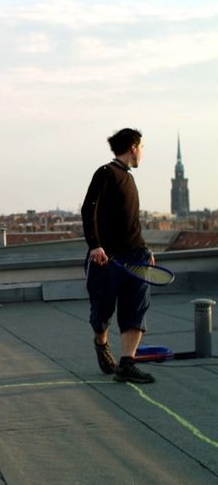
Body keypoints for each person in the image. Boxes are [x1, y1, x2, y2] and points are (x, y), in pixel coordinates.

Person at [82, 127, 155, 384]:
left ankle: (127, 363)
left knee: (135, 308)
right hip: (107, 258)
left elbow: (131, 222)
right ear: (133, 147)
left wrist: (145, 250)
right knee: (101, 314)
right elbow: (88, 209)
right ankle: (101, 342)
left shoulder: (130, 179)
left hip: (136, 257)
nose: (143, 153)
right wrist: (95, 246)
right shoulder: (106, 173)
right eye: (142, 148)